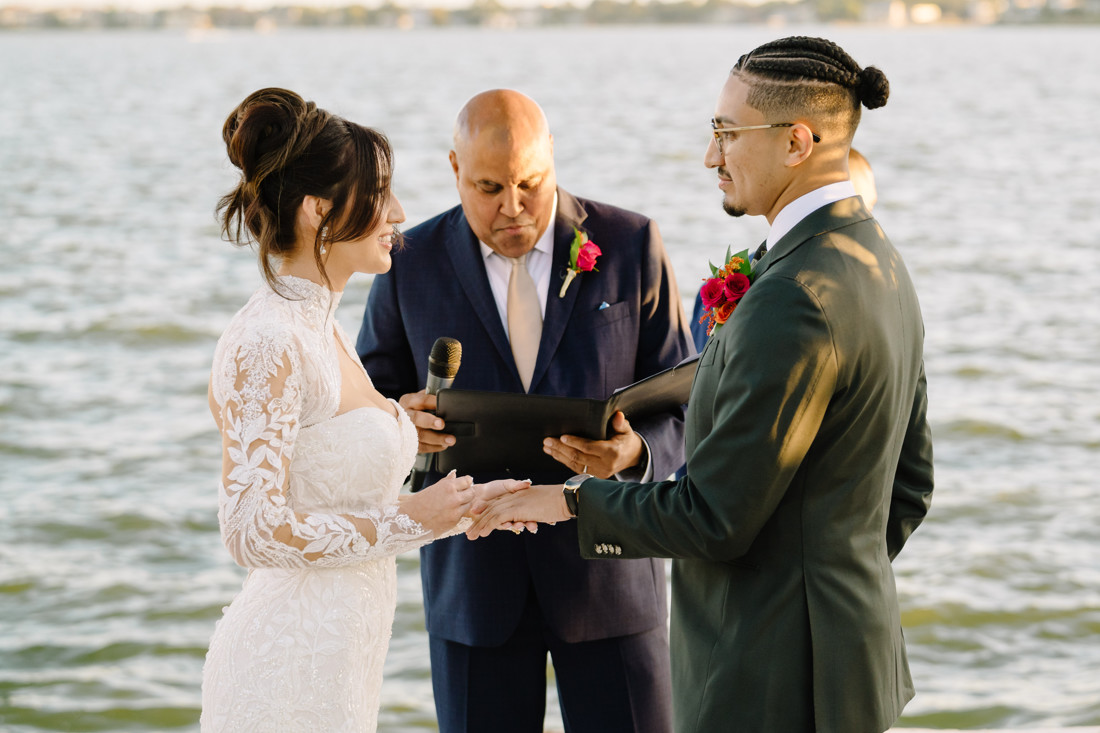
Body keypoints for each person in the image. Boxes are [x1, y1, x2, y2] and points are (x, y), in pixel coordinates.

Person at [470, 36, 935, 733]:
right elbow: (910, 485)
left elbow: (711, 516)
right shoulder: (877, 258)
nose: (710, 156)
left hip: (773, 679)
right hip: (847, 665)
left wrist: (563, 497)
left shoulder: (794, 297)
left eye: (725, 133)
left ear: (797, 142)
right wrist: (833, 584)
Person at [357, 89, 691, 733]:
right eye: (488, 187)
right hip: (473, 585)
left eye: (530, 184)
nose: (513, 207)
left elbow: (686, 405)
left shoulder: (631, 243)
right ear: (454, 168)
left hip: (612, 577)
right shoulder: (406, 263)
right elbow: (370, 401)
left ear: (553, 159)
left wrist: (635, 452)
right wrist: (401, 426)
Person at [200, 88, 523, 732]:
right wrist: (412, 522)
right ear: (319, 211)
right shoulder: (271, 339)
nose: (399, 212)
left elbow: (331, 485)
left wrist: (463, 508)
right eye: (380, 195)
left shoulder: (322, 326)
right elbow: (251, 530)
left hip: (340, 666)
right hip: (285, 672)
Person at [688, 146, 878, 351]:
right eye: (859, 210)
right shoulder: (810, 288)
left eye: (869, 209)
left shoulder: (720, 283)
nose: (867, 222)